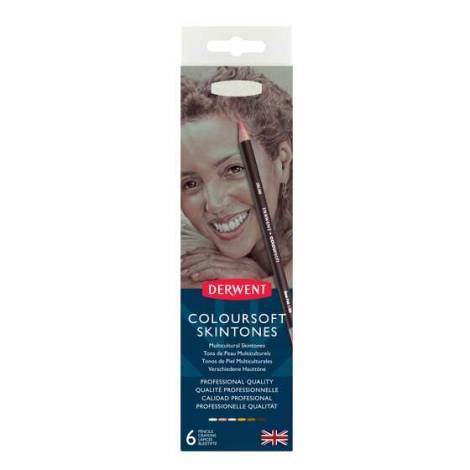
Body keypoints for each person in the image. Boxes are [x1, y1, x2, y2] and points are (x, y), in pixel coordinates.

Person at [181, 67, 292, 288]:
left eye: (234, 169)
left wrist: (258, 283)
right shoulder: (190, 249)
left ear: (282, 161)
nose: (214, 204)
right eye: (190, 183)